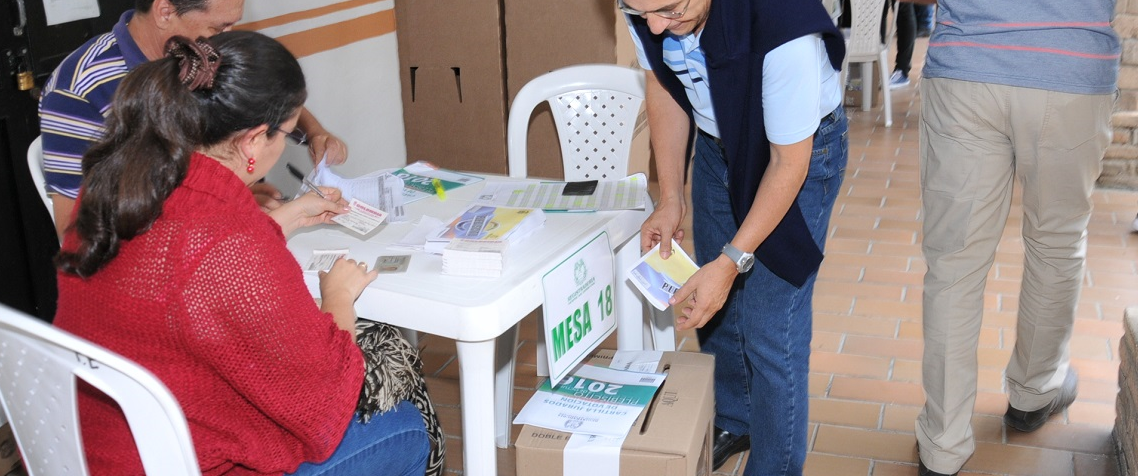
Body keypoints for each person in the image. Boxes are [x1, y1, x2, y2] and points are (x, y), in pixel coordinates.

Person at [52, 32, 430, 475]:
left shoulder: (117, 182)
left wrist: (281, 219)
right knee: (406, 428)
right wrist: (339, 297)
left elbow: (175, 264)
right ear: (253, 142)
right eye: (288, 135)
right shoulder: (230, 239)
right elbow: (325, 403)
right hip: (180, 463)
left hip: (83, 450)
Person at [620, 0, 848, 473]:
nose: (657, 26)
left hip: (792, 152)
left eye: (668, 9)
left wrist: (731, 263)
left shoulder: (784, 27)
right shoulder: (647, 5)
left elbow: (788, 165)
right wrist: (671, 198)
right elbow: (664, 84)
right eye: (640, 13)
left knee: (770, 324)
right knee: (716, 312)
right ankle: (735, 416)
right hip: (715, 141)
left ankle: (776, 465)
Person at [914, 1, 1118, 475]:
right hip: (1072, 65)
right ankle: (1034, 391)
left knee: (953, 265)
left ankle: (943, 445)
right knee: (1057, 245)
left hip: (967, 65)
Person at [39, 0, 349, 239]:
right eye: (217, 28)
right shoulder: (79, 89)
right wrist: (221, 208)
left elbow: (261, 92)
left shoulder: (202, 53)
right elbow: (74, 233)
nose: (224, 41)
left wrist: (313, 131)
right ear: (164, 11)